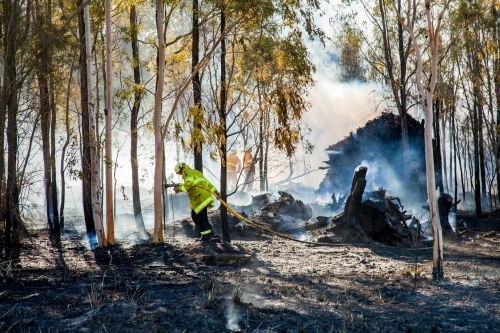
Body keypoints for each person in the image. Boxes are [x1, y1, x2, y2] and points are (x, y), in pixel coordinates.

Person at [174, 162, 220, 241]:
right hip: (205, 197)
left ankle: (207, 236)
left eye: (180, 172)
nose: (181, 175)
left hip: (199, 198)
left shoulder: (188, 173)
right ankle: (209, 234)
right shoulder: (197, 172)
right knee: (203, 217)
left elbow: (189, 184)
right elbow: (208, 184)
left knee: (196, 217)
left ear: (183, 168)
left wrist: (179, 189)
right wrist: (215, 192)